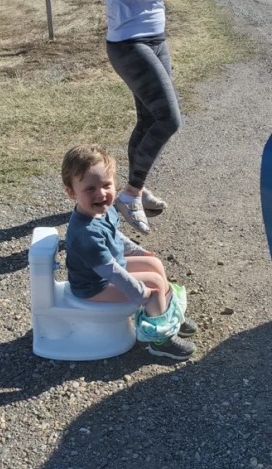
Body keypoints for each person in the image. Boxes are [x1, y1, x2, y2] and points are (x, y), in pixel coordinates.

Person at [99, 0, 189, 235]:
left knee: (148, 119)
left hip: (157, 36)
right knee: (169, 119)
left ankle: (133, 187)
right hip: (127, 41)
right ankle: (131, 194)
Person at [62, 144, 197, 360]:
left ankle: (167, 314)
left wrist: (140, 252)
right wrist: (142, 294)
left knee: (154, 264)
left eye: (106, 185)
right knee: (154, 288)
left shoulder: (102, 210)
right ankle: (160, 340)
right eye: (90, 189)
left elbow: (115, 236)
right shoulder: (86, 234)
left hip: (107, 270)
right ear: (71, 192)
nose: (101, 193)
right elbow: (111, 272)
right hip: (93, 286)